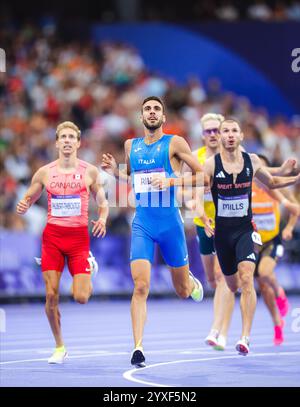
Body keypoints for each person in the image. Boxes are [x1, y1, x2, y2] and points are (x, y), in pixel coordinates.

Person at [101, 96, 207, 367]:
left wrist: (171, 179)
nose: (151, 112)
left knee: (182, 291)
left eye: (156, 109)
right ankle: (137, 347)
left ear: (163, 117)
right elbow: (135, 177)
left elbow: (202, 177)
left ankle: (191, 281)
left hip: (170, 223)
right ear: (141, 117)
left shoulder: (175, 143)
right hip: (143, 224)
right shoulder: (131, 146)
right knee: (141, 286)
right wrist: (116, 172)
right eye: (147, 108)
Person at [203, 118, 300, 355]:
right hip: (222, 234)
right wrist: (170, 181)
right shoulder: (210, 164)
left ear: (241, 136)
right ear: (221, 136)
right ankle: (221, 328)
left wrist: (295, 179)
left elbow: (274, 182)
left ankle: (245, 337)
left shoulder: (252, 161)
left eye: (234, 130)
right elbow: (196, 185)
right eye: (225, 131)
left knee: (249, 277)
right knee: (232, 283)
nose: (229, 135)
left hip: (246, 231)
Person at [16, 121, 109, 364]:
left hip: (78, 240)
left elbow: (102, 200)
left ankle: (90, 267)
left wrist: (102, 217)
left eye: (71, 137)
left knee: (80, 297)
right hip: (52, 239)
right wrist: (24, 204)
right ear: (57, 142)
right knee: (51, 295)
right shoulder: (45, 172)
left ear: (78, 143)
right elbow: (30, 195)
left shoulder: (89, 171)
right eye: (63, 137)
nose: (67, 141)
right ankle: (59, 346)